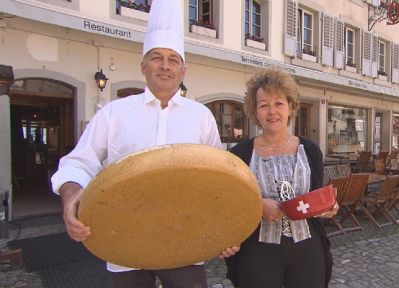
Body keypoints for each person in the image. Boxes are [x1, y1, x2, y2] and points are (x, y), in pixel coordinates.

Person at [51, 1, 238, 287]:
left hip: (185, 240)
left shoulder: (201, 117)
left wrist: (224, 231)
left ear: (183, 70)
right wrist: (70, 200)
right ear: (143, 66)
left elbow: (221, 180)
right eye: (156, 57)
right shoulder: (114, 113)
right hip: (125, 239)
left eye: (173, 59)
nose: (165, 66)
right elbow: (78, 164)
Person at [225, 68, 337, 288]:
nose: (272, 111)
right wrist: (257, 205)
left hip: (307, 247)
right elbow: (231, 204)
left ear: (290, 107)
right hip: (258, 250)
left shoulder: (311, 150)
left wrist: (327, 207)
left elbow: (316, 197)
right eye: (264, 105)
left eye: (278, 103)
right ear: (255, 111)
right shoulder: (240, 154)